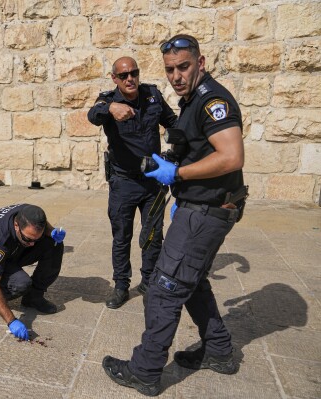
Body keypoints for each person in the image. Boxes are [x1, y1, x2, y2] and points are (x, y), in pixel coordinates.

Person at [102, 34, 247, 396]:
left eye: (184, 66)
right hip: (202, 205)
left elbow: (231, 157)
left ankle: (145, 370)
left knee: (164, 289)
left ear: (201, 62)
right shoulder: (192, 100)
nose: (176, 75)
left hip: (206, 211)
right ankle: (219, 350)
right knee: (192, 280)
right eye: (170, 69)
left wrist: (177, 175)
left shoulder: (212, 99)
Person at [87, 57, 177, 309]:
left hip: (152, 182)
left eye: (134, 73)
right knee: (121, 236)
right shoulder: (107, 99)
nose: (130, 79)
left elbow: (173, 123)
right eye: (123, 75)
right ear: (114, 78)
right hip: (123, 182)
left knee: (152, 236)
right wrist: (111, 109)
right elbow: (92, 115)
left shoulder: (152, 95)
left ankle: (149, 282)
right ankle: (121, 286)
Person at [0, 204, 66, 340]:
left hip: (13, 250)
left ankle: (33, 297)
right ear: (16, 226)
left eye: (36, 239)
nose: (32, 245)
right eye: (29, 239)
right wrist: (11, 321)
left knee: (54, 244)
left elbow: (42, 226)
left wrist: (52, 232)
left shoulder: (29, 213)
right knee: (21, 283)